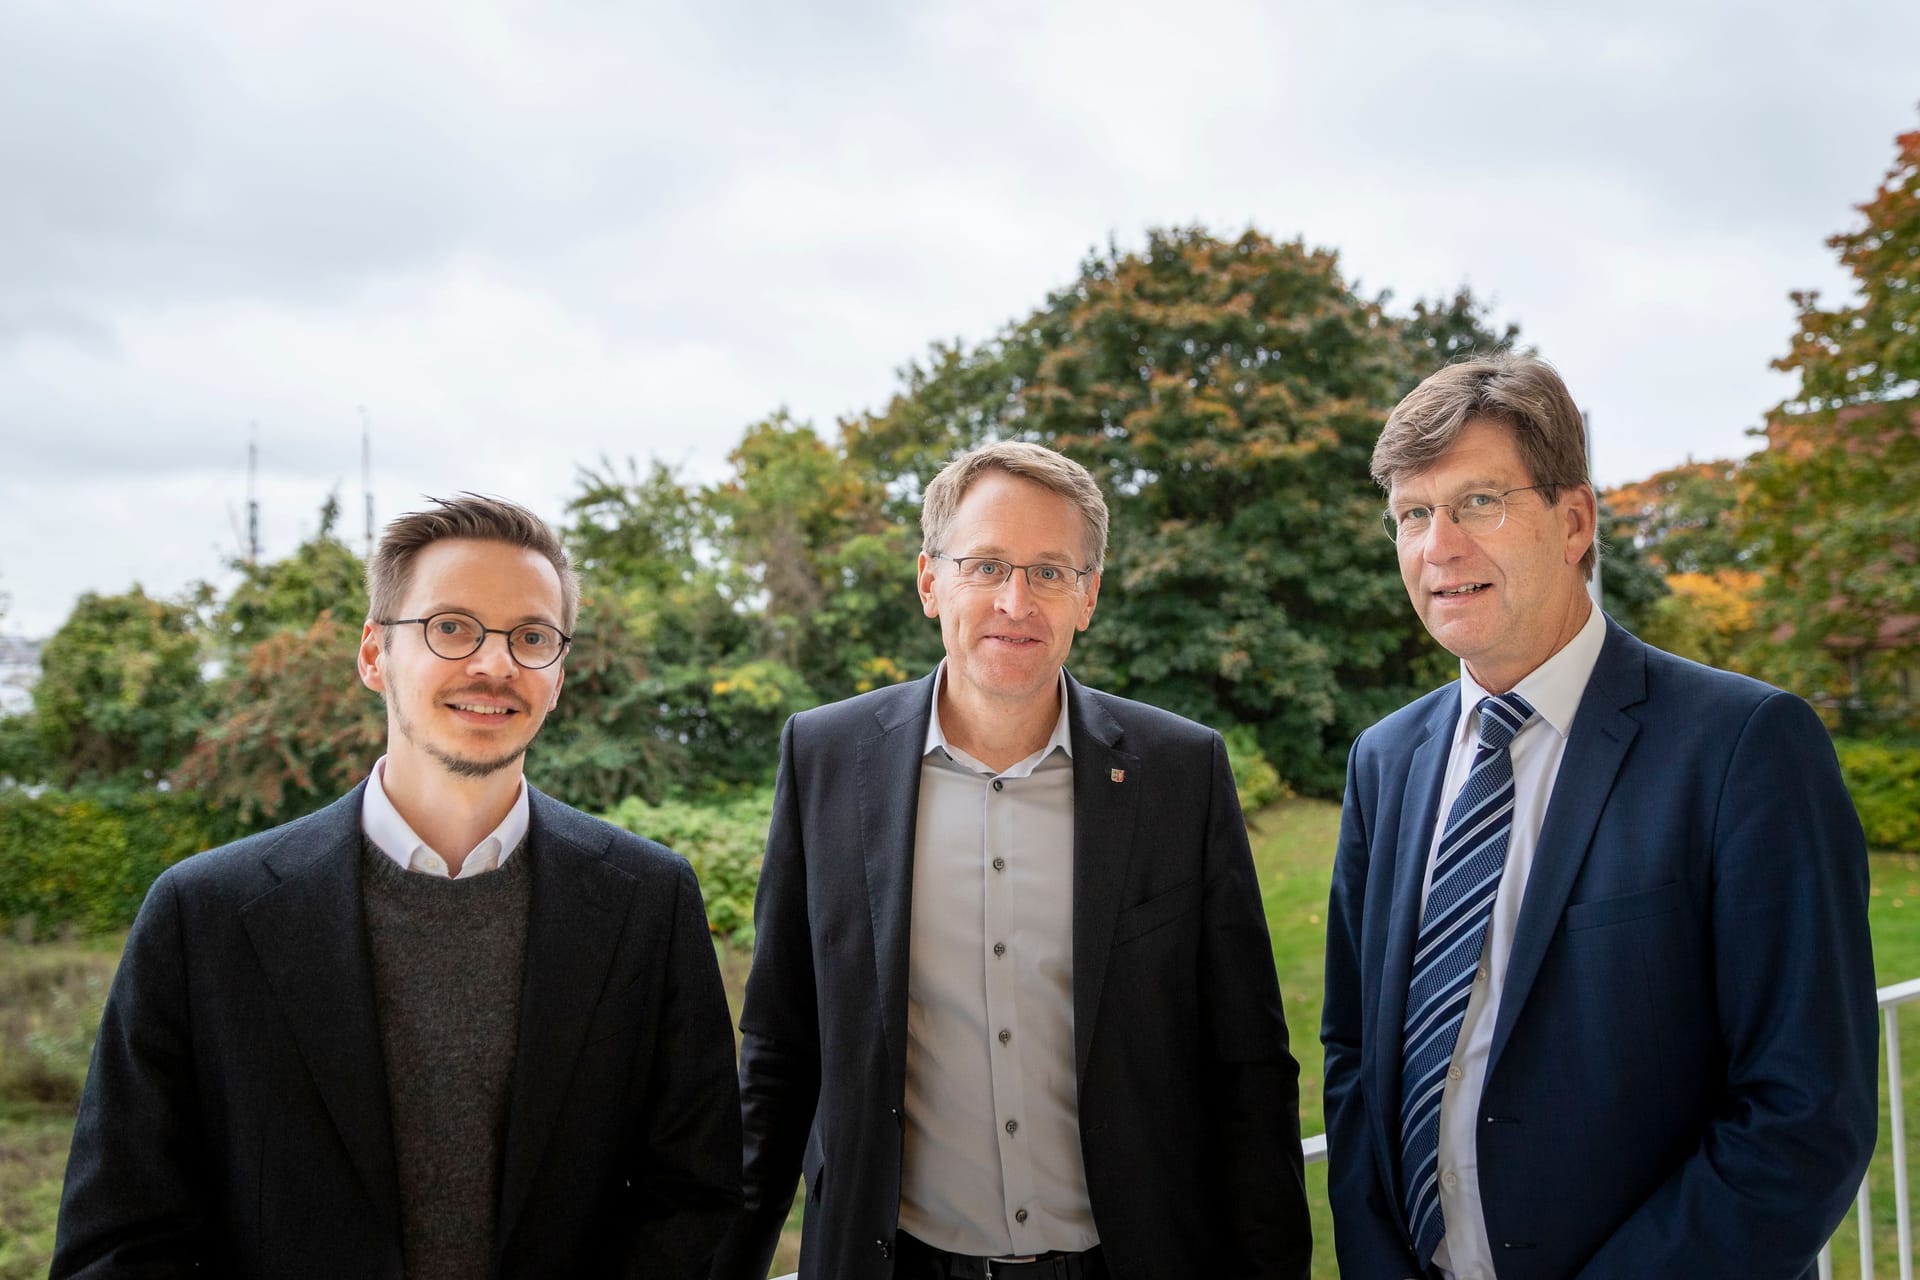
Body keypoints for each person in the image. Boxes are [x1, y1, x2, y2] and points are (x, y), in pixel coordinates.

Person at [54, 494, 742, 1279]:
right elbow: (120, 1237)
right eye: (451, 627)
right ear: (374, 655)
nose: (494, 663)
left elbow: (697, 1196)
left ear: (559, 674)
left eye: (532, 637)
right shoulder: (203, 913)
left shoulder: (646, 901)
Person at [1321, 353, 1879, 1279]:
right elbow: (1353, 1056)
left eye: (1478, 503)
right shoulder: (1385, 762)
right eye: (1412, 515)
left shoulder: (1744, 746)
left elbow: (1806, 1109)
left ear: (1574, 520)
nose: (1438, 547)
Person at [711, 441, 1311, 1280]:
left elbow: (1248, 1066)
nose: (1015, 601)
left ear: (1088, 596)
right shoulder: (826, 759)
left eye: (1050, 572)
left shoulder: (1180, 773)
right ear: (930, 582)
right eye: (986, 565)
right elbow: (778, 1049)